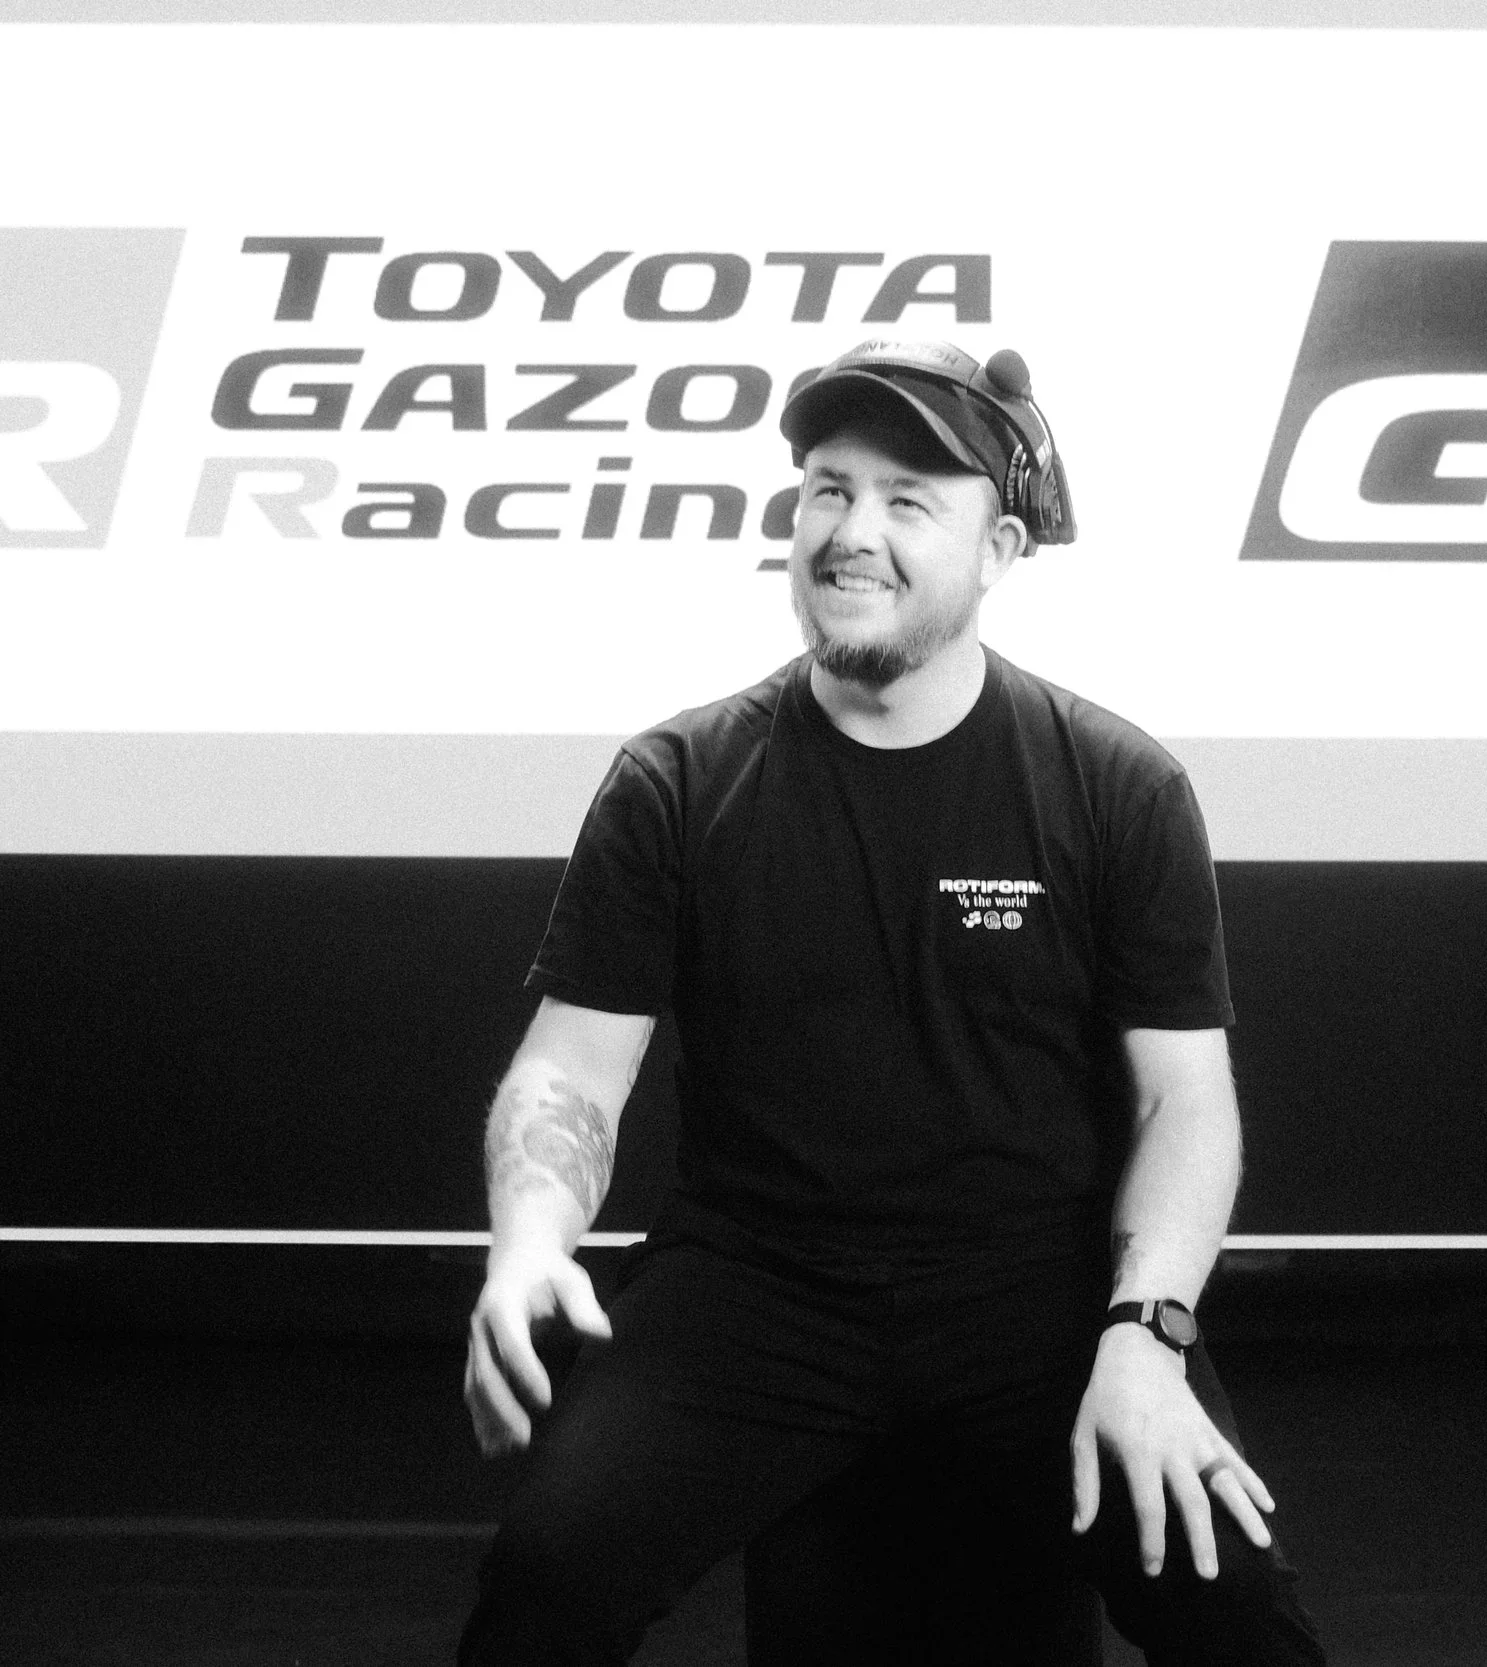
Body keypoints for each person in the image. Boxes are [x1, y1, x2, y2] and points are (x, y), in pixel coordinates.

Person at [457, 339, 1326, 1666]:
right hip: (757, 1286)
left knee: (1237, 1607)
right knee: (544, 1578)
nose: (852, 531)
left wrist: (1147, 1335)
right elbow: (569, 1072)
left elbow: (1182, 1103)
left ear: (1000, 550)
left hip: (1036, 1295)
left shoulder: (1116, 785)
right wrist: (529, 1240)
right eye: (828, 489)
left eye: (908, 499)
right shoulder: (677, 780)